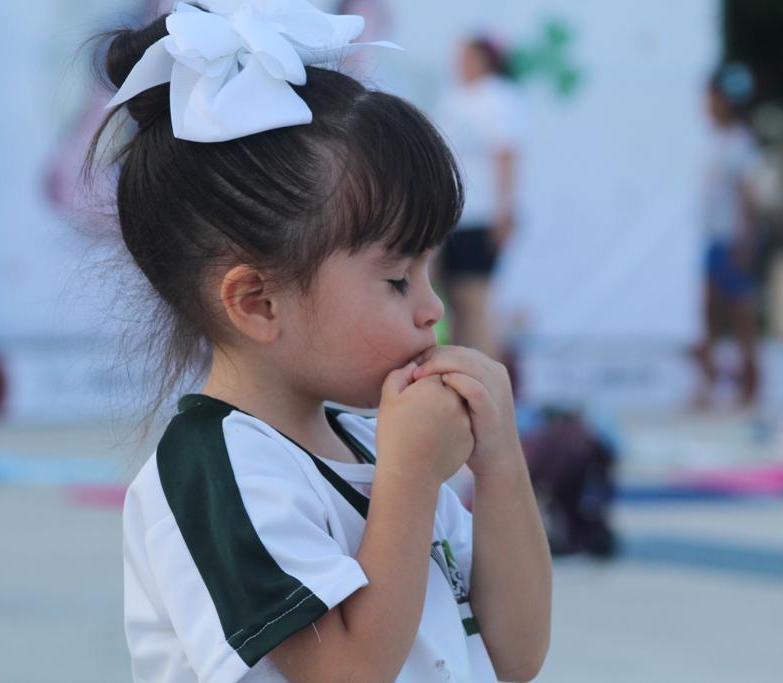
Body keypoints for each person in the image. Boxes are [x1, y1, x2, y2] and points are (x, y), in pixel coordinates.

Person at [89, 3, 551, 682]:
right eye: (397, 279)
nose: (433, 309)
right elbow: (345, 671)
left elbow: (517, 651)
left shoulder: (370, 444)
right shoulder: (217, 468)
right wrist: (410, 477)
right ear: (259, 301)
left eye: (429, 270)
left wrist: (501, 463)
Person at [436, 35, 523, 360]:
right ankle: (459, 379)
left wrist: (504, 211)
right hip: (452, 215)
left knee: (475, 298)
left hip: (482, 213)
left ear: (485, 60)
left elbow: (506, 155)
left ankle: (488, 382)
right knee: (454, 300)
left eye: (466, 56)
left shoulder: (498, 97)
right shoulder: (456, 97)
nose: (458, 63)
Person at [692, 63, 762, 410]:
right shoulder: (712, 139)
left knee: (739, 315)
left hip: (732, 240)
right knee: (708, 312)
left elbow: (747, 197)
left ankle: (749, 387)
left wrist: (744, 241)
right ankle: (708, 386)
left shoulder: (739, 142)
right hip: (712, 237)